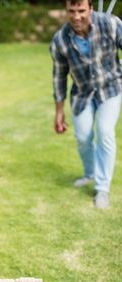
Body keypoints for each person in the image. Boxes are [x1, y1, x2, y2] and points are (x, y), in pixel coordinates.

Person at [50, 0, 122, 208]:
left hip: (111, 89)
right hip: (82, 94)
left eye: (81, 10)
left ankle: (102, 189)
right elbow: (59, 78)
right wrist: (59, 112)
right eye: (71, 11)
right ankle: (90, 173)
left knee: (105, 131)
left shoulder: (111, 24)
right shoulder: (60, 40)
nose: (76, 16)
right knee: (82, 136)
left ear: (90, 8)